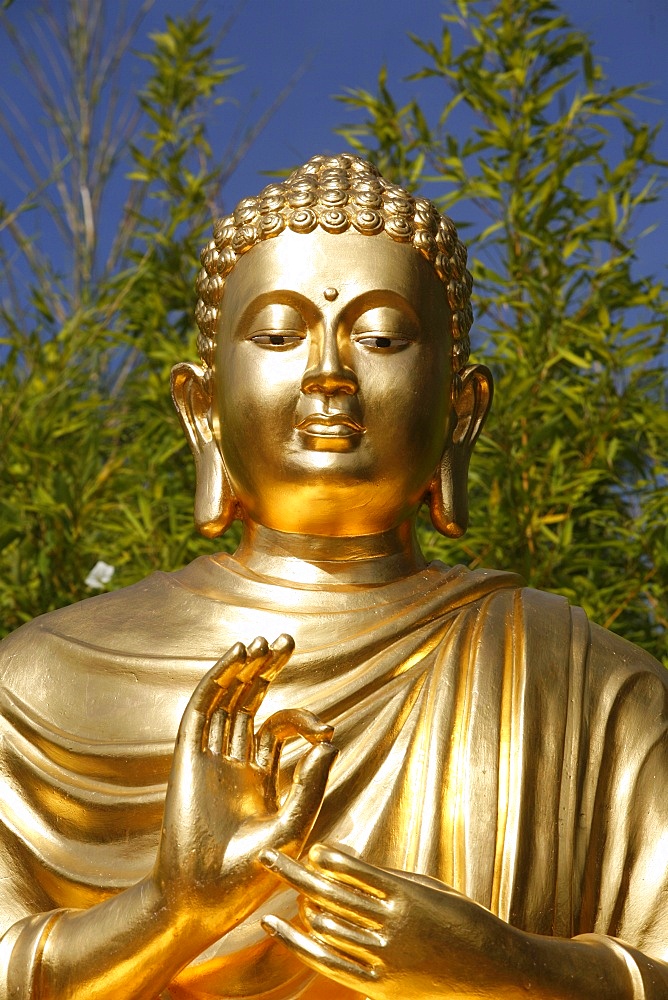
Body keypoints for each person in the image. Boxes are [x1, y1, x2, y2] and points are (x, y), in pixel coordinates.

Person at [0, 153, 666, 999]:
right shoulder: (41, 683)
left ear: (462, 407)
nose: (329, 374)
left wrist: (504, 968)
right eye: (278, 336)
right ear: (201, 406)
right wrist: (170, 913)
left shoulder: (586, 685)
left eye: (383, 337)